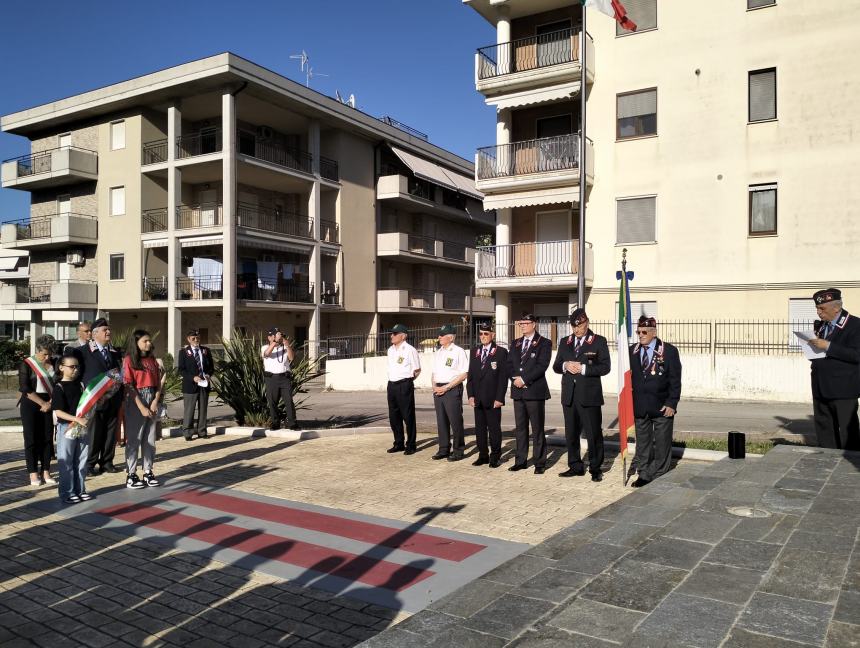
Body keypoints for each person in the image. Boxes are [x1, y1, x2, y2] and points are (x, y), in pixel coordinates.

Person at [552, 308, 611, 482]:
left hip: (589, 395)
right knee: (571, 434)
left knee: (593, 434)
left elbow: (605, 367)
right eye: (574, 326)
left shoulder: (598, 341)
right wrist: (565, 366)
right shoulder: (565, 342)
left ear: (587, 323)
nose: (577, 330)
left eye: (580, 326)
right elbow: (556, 366)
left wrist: (584, 369)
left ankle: (595, 468)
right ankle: (575, 466)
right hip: (569, 395)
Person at [627, 316, 682, 487]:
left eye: (644, 332)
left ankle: (659, 473)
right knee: (642, 444)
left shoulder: (669, 351)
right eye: (638, 332)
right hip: (640, 406)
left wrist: (672, 403)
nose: (640, 335)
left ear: (653, 332)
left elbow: (675, 380)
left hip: (662, 406)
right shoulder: (632, 351)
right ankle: (644, 474)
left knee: (662, 444)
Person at [807, 288, 860, 450]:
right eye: (817, 308)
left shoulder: (855, 325)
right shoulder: (822, 326)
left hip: (844, 391)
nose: (819, 312)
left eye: (822, 309)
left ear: (836, 307)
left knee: (847, 434)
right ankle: (826, 460)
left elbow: (856, 355)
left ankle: (849, 467)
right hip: (820, 387)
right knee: (825, 431)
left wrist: (828, 346)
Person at [508, 314, 552, 474]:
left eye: (526, 323)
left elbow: (542, 366)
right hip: (518, 392)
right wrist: (515, 379)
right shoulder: (516, 343)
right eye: (521, 323)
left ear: (534, 324)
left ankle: (540, 462)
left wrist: (524, 379)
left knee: (537, 428)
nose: (523, 325)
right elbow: (509, 364)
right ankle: (521, 460)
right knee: (520, 428)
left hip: (534, 391)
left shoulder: (544, 343)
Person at [79, 318, 123, 476]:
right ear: (95, 333)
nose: (109, 332)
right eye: (105, 330)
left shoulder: (115, 352)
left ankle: (107, 462)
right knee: (94, 433)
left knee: (110, 432)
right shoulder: (83, 351)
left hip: (113, 399)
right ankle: (89, 464)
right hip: (95, 400)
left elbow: (119, 372)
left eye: (109, 330)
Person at [123, 330, 163, 489]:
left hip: (151, 396)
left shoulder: (152, 360)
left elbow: (159, 383)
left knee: (150, 438)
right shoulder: (129, 360)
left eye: (149, 340)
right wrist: (141, 406)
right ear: (136, 343)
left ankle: (148, 471)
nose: (148, 343)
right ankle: (131, 475)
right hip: (136, 399)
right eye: (145, 341)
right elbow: (128, 384)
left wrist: (155, 402)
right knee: (134, 438)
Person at [466, 322, 509, 468]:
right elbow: (470, 376)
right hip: (477, 398)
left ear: (493, 335)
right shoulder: (474, 352)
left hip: (492, 399)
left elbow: (503, 378)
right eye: (481, 334)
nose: (483, 336)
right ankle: (482, 455)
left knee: (494, 429)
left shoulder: (501, 352)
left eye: (486, 333)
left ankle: (495, 456)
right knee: (480, 430)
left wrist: (499, 398)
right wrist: (470, 395)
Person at [52, 351, 91, 503]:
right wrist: (76, 419)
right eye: (72, 367)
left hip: (81, 426)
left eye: (77, 367)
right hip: (66, 427)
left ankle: (80, 489)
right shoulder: (59, 387)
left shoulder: (80, 385)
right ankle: (67, 492)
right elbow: (58, 411)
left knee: (81, 460)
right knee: (66, 461)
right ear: (61, 367)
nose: (75, 369)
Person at [18, 335, 57, 487]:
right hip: (31, 403)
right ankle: (33, 472)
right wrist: (42, 403)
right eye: (44, 354)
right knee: (31, 438)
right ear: (37, 350)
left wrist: (50, 403)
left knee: (47, 438)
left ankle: (46, 470)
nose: (47, 357)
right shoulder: (27, 363)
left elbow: (59, 384)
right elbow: (24, 387)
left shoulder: (54, 363)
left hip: (49, 402)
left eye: (50, 354)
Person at [431, 324, 469, 461]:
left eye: (442, 335)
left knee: (455, 421)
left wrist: (446, 387)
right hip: (438, 389)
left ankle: (458, 450)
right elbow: (434, 372)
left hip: (452, 389)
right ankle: (443, 449)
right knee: (441, 421)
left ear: (451, 337)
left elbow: (463, 374)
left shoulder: (458, 351)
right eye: (440, 334)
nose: (439, 337)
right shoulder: (438, 352)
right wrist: (434, 386)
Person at [385, 324, 421, 455]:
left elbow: (417, 369)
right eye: (392, 333)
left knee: (408, 416)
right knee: (394, 416)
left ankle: (411, 444)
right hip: (392, 385)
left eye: (395, 334)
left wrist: (408, 382)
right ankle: (398, 443)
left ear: (403, 336)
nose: (392, 336)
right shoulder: (390, 350)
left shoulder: (410, 350)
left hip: (404, 384)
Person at [177, 329, 214, 441]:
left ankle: (202, 431)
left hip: (204, 384)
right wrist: (193, 377)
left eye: (197, 338)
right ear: (188, 339)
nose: (196, 340)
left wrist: (208, 374)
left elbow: (212, 367)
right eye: (193, 338)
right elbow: (181, 370)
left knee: (203, 410)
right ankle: (188, 432)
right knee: (189, 410)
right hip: (190, 385)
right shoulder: (183, 352)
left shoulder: (206, 351)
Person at [261, 327, 298, 431]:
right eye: (274, 335)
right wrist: (275, 342)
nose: (277, 337)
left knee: (288, 401)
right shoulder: (264, 347)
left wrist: (287, 344)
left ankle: (292, 423)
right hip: (271, 378)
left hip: (284, 377)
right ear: (269, 337)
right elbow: (267, 354)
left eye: (278, 335)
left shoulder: (284, 348)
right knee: (272, 402)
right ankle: (275, 423)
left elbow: (291, 358)